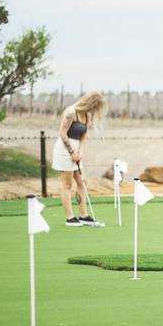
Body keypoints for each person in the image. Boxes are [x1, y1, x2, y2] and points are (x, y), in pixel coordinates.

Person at [52, 91, 107, 227]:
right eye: (95, 107)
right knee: (67, 185)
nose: (95, 110)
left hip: (76, 150)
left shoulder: (87, 116)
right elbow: (62, 133)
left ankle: (84, 215)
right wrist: (72, 152)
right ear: (90, 103)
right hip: (65, 149)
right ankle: (70, 218)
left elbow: (83, 137)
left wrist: (79, 153)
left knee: (83, 182)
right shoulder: (71, 112)